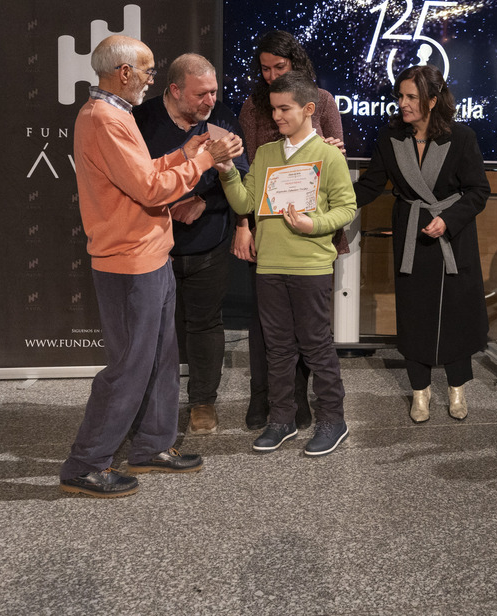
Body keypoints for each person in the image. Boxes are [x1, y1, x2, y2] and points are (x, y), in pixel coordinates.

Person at [59, 35, 243, 497]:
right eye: (145, 70)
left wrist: (189, 150)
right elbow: (150, 190)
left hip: (151, 254)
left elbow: (148, 171)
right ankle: (85, 463)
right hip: (128, 261)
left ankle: (151, 447)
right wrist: (202, 158)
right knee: (129, 367)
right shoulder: (103, 119)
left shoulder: (115, 115)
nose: (149, 78)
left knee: (161, 359)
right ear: (123, 73)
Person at [219, 70, 356, 456]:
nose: (277, 116)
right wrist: (228, 171)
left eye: (284, 109)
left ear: (309, 109)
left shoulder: (329, 155)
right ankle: (282, 419)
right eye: (273, 109)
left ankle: (333, 420)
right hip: (269, 267)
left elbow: (347, 208)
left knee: (316, 347)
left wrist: (315, 224)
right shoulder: (264, 154)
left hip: (310, 267)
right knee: (277, 349)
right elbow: (246, 203)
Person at [354, 65, 490, 423]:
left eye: (411, 97)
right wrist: (332, 200)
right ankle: (420, 391)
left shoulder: (462, 137)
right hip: (411, 232)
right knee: (415, 313)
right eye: (400, 96)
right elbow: (370, 186)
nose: (402, 103)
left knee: (456, 313)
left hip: (452, 236)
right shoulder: (390, 138)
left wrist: (448, 220)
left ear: (432, 100)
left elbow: (479, 191)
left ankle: (457, 388)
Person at [133, 53, 249, 435]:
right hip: (152, 246)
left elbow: (240, 179)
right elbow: (134, 180)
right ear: (175, 90)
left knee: (204, 324)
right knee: (151, 329)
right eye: (201, 94)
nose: (210, 101)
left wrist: (204, 200)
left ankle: (203, 402)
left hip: (208, 243)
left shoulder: (224, 121)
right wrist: (173, 201)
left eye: (214, 92)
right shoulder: (140, 121)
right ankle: (148, 404)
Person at [236, 30, 345, 431]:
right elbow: (248, 175)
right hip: (267, 233)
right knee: (269, 329)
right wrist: (242, 225)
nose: (269, 76)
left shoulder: (325, 101)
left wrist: (330, 152)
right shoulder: (253, 107)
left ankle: (309, 407)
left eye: (278, 67)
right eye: (264, 69)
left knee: (312, 334)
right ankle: (266, 402)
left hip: (310, 232)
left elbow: (336, 158)